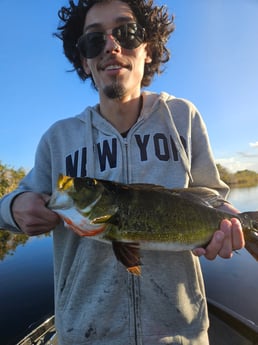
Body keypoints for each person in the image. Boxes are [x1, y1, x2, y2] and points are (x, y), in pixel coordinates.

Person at [0, 1, 244, 344]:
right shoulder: (58, 138)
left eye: (127, 33)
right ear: (84, 61)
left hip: (180, 334)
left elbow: (211, 199)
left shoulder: (183, 117)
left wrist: (233, 224)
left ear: (148, 49)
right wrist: (13, 207)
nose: (112, 46)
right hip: (85, 335)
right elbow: (9, 208)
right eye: (94, 40)